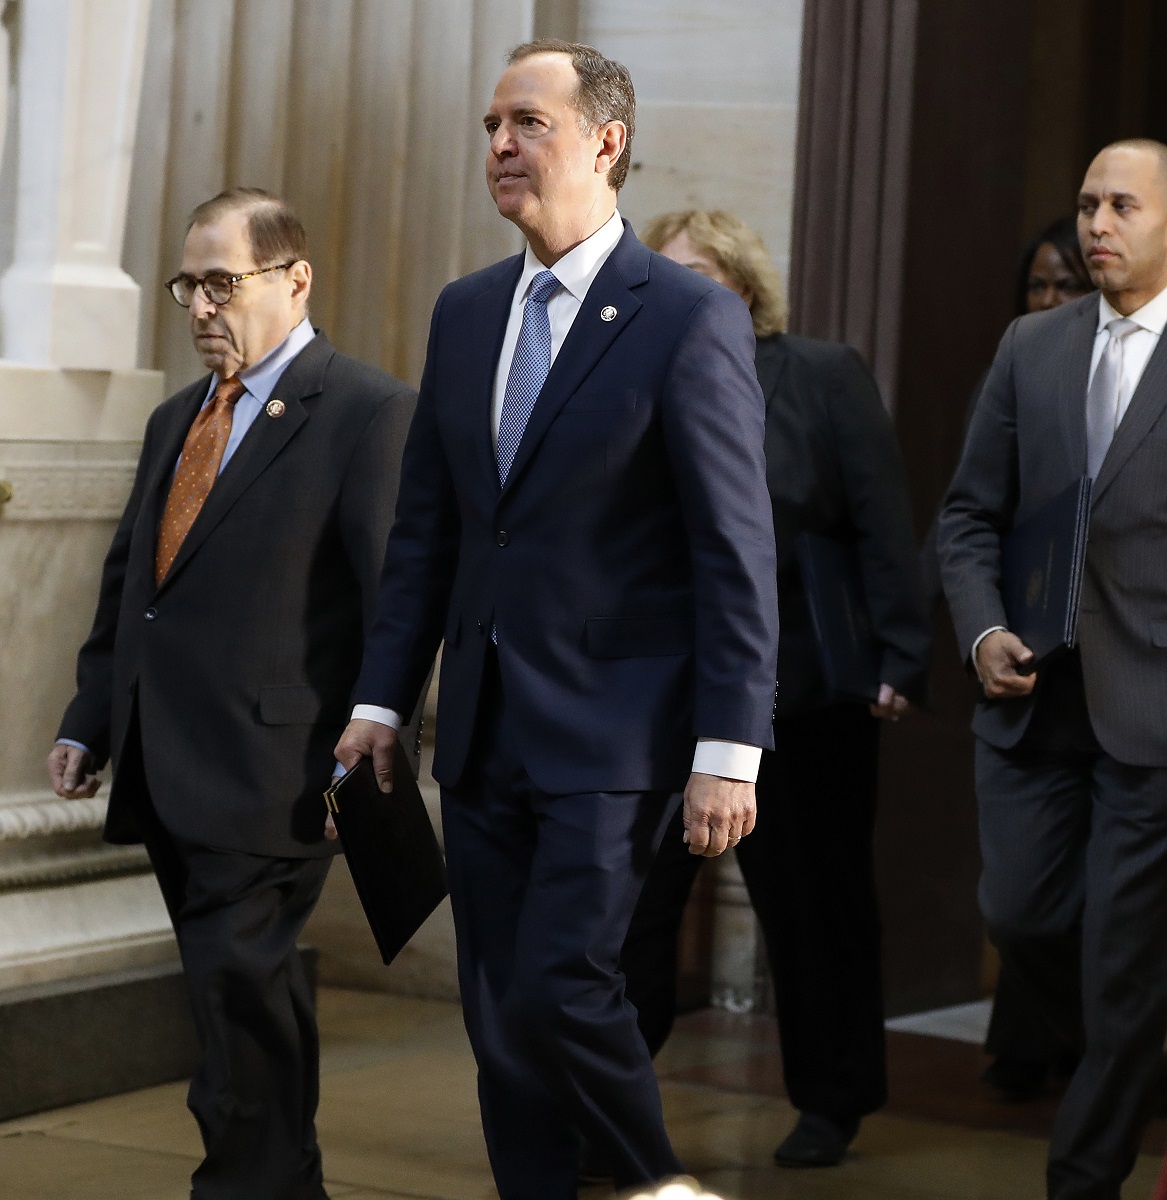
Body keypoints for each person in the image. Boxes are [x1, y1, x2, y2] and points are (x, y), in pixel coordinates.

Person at [332, 41, 778, 1199]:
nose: (499, 147)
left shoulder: (685, 318)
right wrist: (383, 698)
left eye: (526, 122)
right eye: (491, 125)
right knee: (498, 1019)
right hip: (481, 731)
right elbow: (427, 531)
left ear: (606, 141)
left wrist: (729, 752)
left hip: (616, 737)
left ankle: (660, 1187)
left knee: (564, 988)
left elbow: (735, 550)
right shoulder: (467, 311)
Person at [938, 139, 1167, 1200]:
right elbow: (968, 517)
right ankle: (1133, 1056)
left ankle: (1084, 1176)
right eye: (1089, 205)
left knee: (1125, 947)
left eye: (1123, 206)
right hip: (1030, 696)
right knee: (1021, 915)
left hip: (1165, 699)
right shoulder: (1030, 345)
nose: (1098, 224)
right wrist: (980, 631)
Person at [46, 188, 415, 1200]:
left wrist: (378, 737)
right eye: (189, 285)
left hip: (279, 771)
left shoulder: (368, 410)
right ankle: (283, 1180)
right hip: (168, 763)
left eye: (223, 283)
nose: (203, 306)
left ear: (294, 281)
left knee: (238, 986)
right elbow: (133, 586)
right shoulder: (179, 416)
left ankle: (246, 1184)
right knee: (237, 995)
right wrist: (89, 721)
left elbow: (396, 594)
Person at [620, 208, 930, 1167]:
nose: (674, 294)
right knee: (635, 903)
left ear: (745, 290)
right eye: (659, 277)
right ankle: (612, 1091)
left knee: (813, 906)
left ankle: (831, 1100)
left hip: (806, 697)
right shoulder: (635, 379)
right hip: (664, 695)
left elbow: (882, 517)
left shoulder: (820, 375)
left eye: (696, 276)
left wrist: (899, 654)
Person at [981, 215, 1093, 1105]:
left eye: (1067, 285)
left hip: (1127, 678)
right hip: (1026, 660)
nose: (1051, 300)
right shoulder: (1018, 369)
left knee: (1100, 900)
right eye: (1038, 285)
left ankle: (1096, 1059)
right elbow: (971, 512)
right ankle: (1047, 1038)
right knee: (1021, 899)